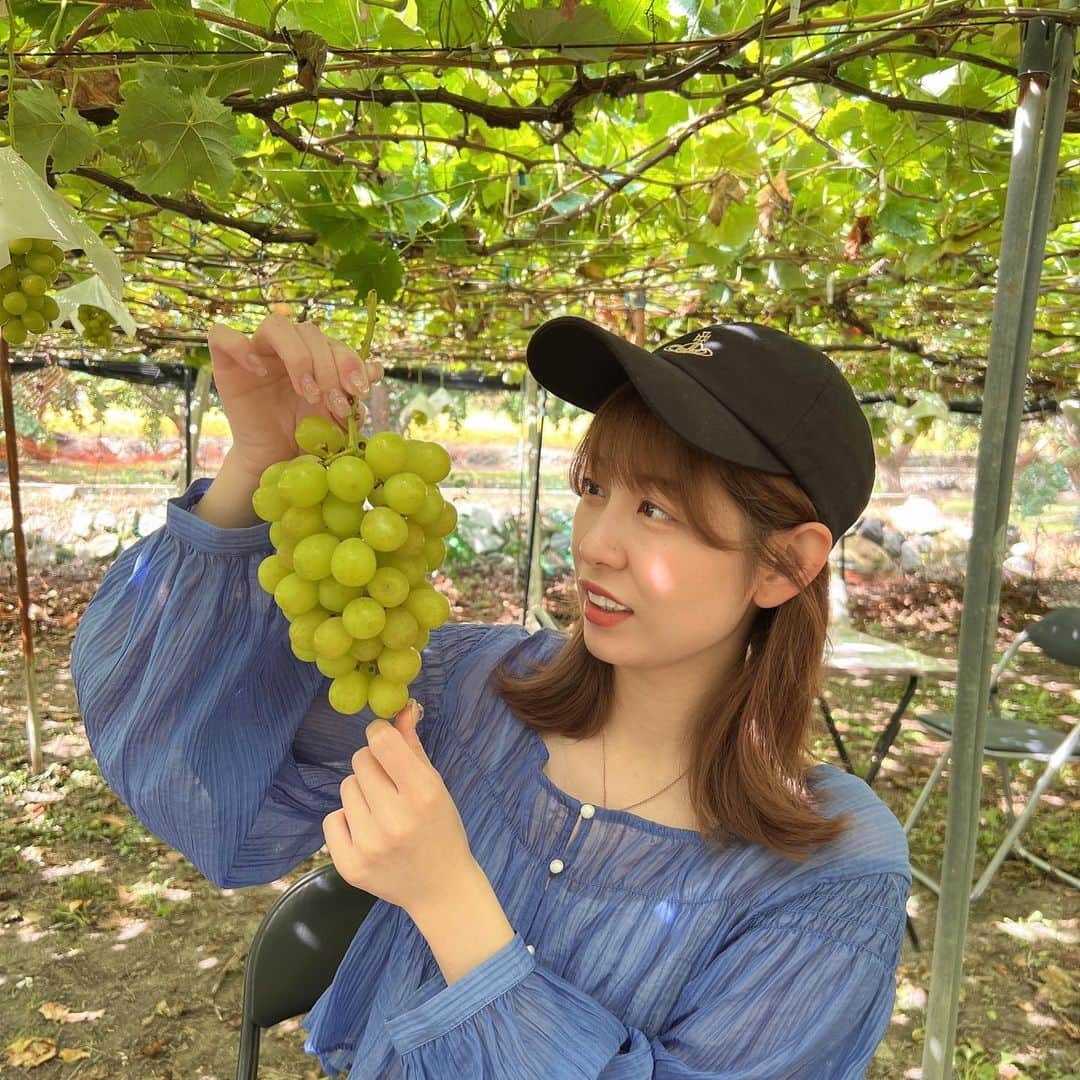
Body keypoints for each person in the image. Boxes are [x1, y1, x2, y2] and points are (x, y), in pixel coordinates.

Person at [71, 312, 910, 1079]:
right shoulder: (470, 691)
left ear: (784, 565)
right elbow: (200, 776)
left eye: (656, 508)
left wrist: (448, 898)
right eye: (595, 490)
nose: (597, 546)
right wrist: (256, 460)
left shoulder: (833, 877)